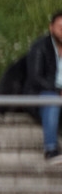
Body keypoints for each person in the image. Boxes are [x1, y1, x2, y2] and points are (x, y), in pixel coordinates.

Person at [24, 10, 62, 164]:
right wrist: (58, 91)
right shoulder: (40, 47)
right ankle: (51, 149)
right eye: (60, 27)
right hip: (41, 93)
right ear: (51, 28)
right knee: (52, 101)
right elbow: (36, 78)